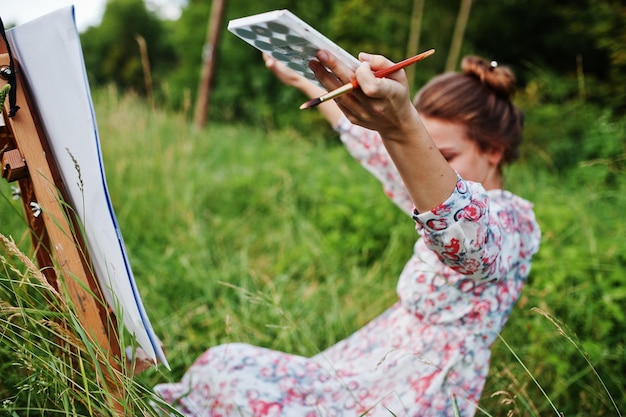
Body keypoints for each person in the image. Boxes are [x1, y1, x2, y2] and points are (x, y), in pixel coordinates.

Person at [153, 50, 541, 416]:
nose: (433, 164)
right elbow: (381, 154)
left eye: (446, 155)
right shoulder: (432, 186)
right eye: (428, 150)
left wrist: (404, 125)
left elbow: (468, 240)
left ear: (492, 151)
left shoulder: (514, 221)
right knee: (222, 365)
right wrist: (306, 82)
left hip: (413, 392)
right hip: (372, 361)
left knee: (231, 381)